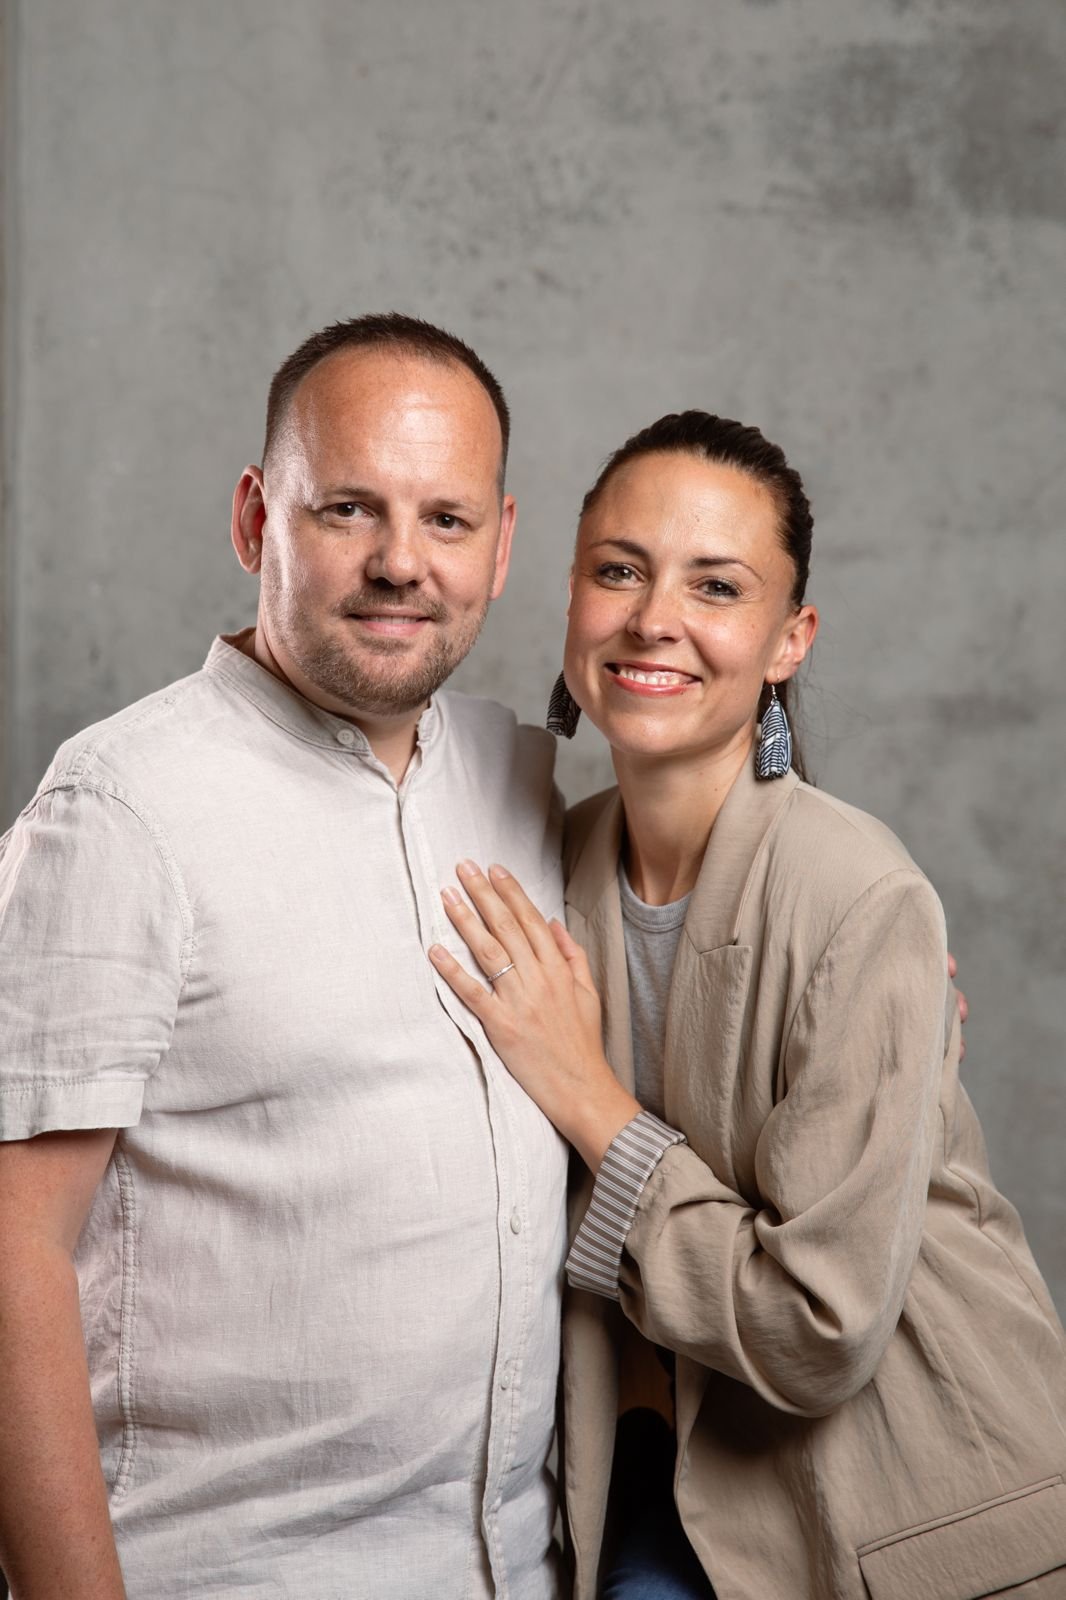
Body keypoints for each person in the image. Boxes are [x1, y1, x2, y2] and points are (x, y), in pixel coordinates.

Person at [429, 411, 1066, 1600]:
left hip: (907, 1512)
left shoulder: (858, 893)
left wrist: (586, 1096)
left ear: (788, 639)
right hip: (644, 1483)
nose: (652, 617)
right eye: (619, 569)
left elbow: (812, 1326)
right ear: (569, 596)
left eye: (714, 585)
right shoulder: (538, 864)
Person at [0, 315, 570, 1599]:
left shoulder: (519, 780)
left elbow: (680, 945)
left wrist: (853, 979)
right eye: (348, 510)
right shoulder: (122, 810)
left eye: (446, 520)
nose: (399, 564)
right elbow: (8, 1249)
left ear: (502, 542)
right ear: (259, 519)